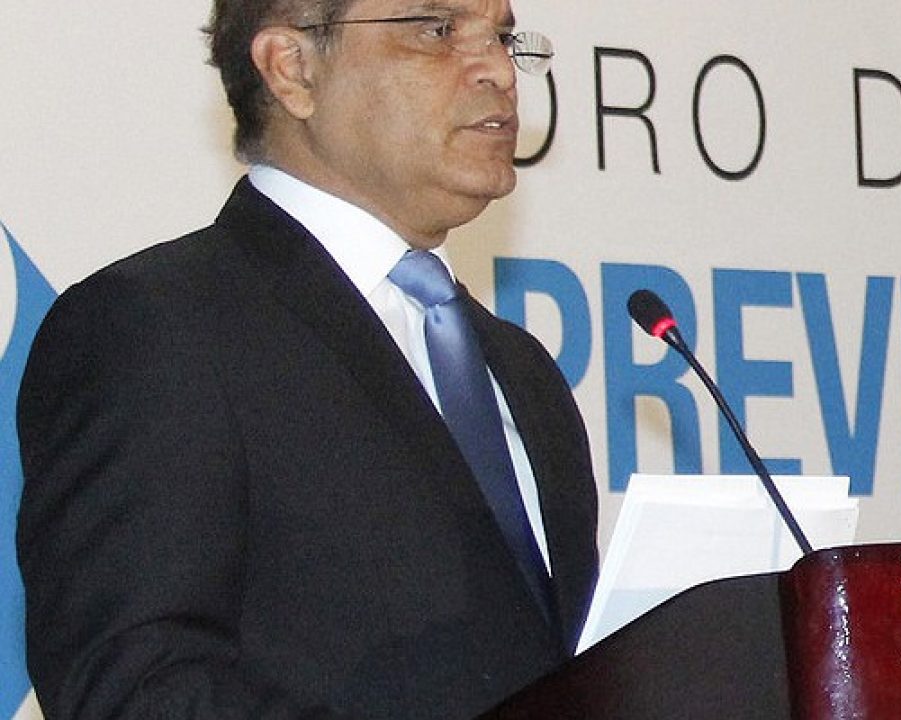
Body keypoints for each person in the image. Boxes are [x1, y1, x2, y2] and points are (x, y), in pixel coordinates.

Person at [15, 0, 598, 717]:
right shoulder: (157, 326)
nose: (500, 71)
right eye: (438, 30)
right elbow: (133, 685)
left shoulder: (523, 371)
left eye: (503, 37)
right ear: (292, 70)